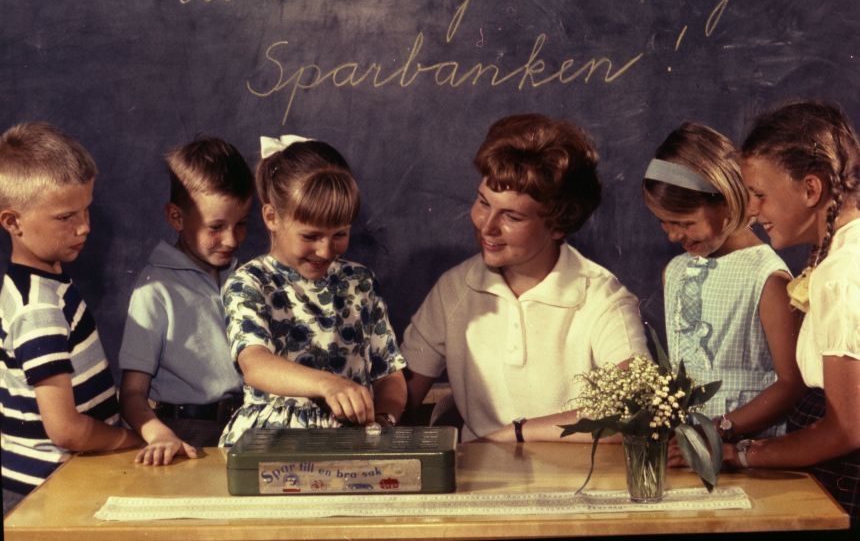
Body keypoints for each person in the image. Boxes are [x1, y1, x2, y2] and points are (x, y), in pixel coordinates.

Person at [400, 113, 649, 443]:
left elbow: (635, 410)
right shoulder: (455, 288)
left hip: (576, 487)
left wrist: (514, 433)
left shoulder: (603, 299)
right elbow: (402, 394)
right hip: (481, 482)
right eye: (483, 202)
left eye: (512, 216)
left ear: (558, 225)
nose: (486, 226)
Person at [218, 134, 407, 446]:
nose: (325, 250)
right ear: (271, 217)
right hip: (273, 443)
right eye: (310, 235)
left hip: (352, 442)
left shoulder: (359, 281)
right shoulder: (250, 282)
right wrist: (328, 385)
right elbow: (255, 364)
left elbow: (390, 374)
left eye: (340, 234)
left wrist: (384, 420)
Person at [726, 99, 860, 529]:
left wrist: (743, 454)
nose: (752, 211)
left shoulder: (842, 275)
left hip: (845, 481)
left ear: (810, 189)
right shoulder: (841, 256)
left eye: (760, 195)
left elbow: (847, 429)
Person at [0, 122, 143, 515]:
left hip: (56, 482)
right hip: (44, 493)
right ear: (13, 222)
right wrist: (128, 440)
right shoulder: (39, 308)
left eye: (86, 209)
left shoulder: (41, 283)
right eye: (65, 217)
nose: (84, 227)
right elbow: (65, 429)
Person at [643, 122, 805, 440]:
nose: (674, 235)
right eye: (664, 222)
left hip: (750, 449)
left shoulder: (767, 278)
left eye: (685, 222)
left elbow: (792, 384)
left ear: (728, 203)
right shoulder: (675, 272)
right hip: (687, 449)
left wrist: (718, 432)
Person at [118, 136, 255, 465]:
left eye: (241, 225)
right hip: (184, 433)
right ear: (176, 218)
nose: (231, 239)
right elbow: (132, 393)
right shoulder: (154, 290)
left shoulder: (246, 279)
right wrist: (160, 435)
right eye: (217, 226)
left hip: (246, 425)